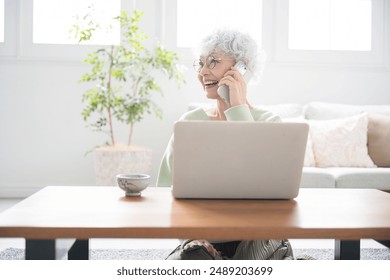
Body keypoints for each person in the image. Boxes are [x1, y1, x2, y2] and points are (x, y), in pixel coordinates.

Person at [157, 29, 306, 260]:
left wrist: (238, 109)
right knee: (191, 256)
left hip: (257, 237)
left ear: (242, 68)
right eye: (200, 63)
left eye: (213, 62)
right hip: (201, 238)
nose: (203, 72)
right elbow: (166, 188)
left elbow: (267, 185)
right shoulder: (189, 123)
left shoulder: (270, 123)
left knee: (268, 248)